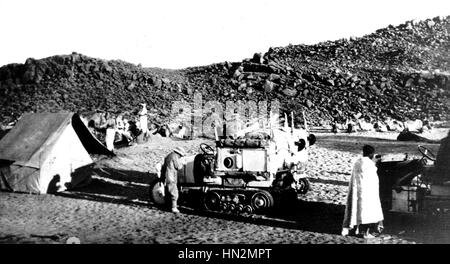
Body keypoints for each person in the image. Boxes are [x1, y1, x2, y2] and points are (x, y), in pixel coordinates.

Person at [342, 145, 384, 239]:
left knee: (357, 210)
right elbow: (372, 174)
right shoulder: (369, 164)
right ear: (371, 154)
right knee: (367, 212)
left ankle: (356, 230)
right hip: (367, 193)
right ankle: (365, 233)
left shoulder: (358, 162)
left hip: (357, 192)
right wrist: (375, 163)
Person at [161, 147, 186, 213]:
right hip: (171, 177)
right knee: (174, 193)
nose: (180, 157)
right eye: (180, 156)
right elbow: (178, 166)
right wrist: (182, 163)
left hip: (166, 176)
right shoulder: (174, 157)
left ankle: (167, 206)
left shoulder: (168, 156)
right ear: (179, 153)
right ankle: (174, 208)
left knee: (167, 192)